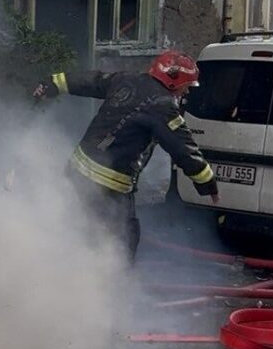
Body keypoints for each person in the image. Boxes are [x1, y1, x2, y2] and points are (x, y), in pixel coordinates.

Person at [33, 50, 220, 261]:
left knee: (73, 227)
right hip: (109, 187)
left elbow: (91, 81)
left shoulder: (126, 79)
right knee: (121, 243)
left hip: (76, 171)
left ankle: (56, 271)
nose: (185, 93)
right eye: (185, 87)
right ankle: (108, 286)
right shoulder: (163, 107)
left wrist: (53, 83)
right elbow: (183, 149)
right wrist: (208, 183)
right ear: (173, 83)